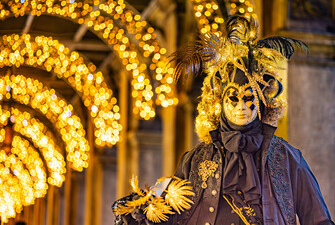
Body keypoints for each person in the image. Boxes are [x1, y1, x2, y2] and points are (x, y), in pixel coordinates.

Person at [113, 16, 334, 225]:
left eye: (249, 99)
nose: (241, 107)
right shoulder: (195, 159)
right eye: (233, 98)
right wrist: (141, 209)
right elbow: (167, 209)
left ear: (262, 103)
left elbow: (318, 220)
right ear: (219, 101)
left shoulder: (286, 158)